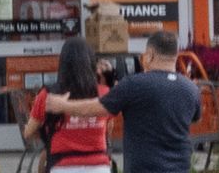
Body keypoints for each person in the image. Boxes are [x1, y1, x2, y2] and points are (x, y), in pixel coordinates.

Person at [46, 31, 200, 173]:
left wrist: (63, 106)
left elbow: (97, 108)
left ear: (150, 55)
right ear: (175, 54)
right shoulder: (191, 89)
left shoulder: (134, 84)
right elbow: (195, 119)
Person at [23, 36, 112, 173]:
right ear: (91, 62)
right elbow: (108, 130)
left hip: (61, 165)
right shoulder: (105, 93)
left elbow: (28, 132)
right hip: (99, 166)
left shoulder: (48, 94)